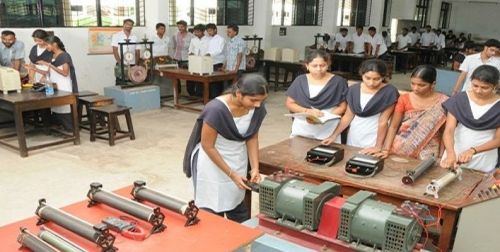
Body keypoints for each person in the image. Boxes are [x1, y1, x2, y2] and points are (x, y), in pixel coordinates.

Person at [183, 74, 268, 223]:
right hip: (212, 161)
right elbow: (207, 146)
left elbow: (252, 137)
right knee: (213, 207)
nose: (258, 105)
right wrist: (231, 173)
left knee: (235, 200)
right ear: (238, 94)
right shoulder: (216, 109)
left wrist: (255, 168)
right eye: (253, 100)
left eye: (262, 100)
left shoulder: (256, 108)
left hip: (237, 158)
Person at [322, 59, 399, 154]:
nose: (371, 83)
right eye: (367, 78)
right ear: (361, 74)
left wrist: (378, 146)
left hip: (375, 134)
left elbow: (383, 121)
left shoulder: (389, 92)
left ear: (383, 77)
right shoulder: (354, 90)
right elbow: (348, 116)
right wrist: (334, 136)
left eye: (377, 79)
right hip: (355, 132)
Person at [376, 65, 448, 160]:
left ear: (433, 84)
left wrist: (442, 156)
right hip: (401, 148)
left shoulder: (444, 102)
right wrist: (385, 149)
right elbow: (393, 126)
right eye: (412, 83)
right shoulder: (404, 99)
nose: (415, 88)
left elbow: (444, 131)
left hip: (429, 150)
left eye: (421, 85)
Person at [440, 65, 500, 173]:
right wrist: (450, 153)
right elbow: (449, 130)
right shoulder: (459, 99)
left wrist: (473, 150)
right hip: (455, 151)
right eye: (475, 85)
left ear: (495, 86)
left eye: (484, 87)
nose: (478, 90)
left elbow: (498, 140)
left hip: (484, 157)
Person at [286, 50, 348, 141]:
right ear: (307, 65)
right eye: (314, 66)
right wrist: (307, 111)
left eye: (323, 65)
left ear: (328, 64)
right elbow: (290, 103)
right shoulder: (300, 80)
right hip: (303, 127)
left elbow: (343, 107)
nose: (319, 69)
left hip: (329, 127)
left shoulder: (338, 82)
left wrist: (325, 116)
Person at [28, 36, 78, 131]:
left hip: (64, 86)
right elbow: (49, 72)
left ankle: (71, 130)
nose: (46, 47)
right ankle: (60, 127)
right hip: (55, 85)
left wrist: (49, 65)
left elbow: (65, 73)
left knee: (64, 107)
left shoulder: (64, 55)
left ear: (54, 44)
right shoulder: (53, 56)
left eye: (47, 45)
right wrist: (34, 69)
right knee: (56, 106)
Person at [111, 19, 140, 84]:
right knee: (120, 83)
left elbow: (137, 51)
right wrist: (120, 63)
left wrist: (136, 64)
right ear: (123, 25)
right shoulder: (116, 35)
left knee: (133, 82)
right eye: (127, 24)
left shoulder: (135, 37)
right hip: (121, 63)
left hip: (132, 64)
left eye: (131, 25)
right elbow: (115, 51)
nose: (129, 26)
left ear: (132, 26)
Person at [187, 24, 210, 97]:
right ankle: (195, 95)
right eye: (195, 32)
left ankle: (203, 95)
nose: (196, 33)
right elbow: (190, 50)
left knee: (203, 80)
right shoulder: (193, 40)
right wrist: (191, 53)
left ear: (203, 31)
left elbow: (209, 51)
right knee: (194, 79)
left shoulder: (208, 39)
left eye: (198, 32)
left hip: (205, 61)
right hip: (195, 62)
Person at [205, 23, 226, 98]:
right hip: (210, 62)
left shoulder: (221, 39)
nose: (209, 32)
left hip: (218, 62)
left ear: (215, 30)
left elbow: (219, 50)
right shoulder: (209, 39)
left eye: (210, 31)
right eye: (208, 31)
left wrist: (209, 54)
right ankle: (211, 97)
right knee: (211, 81)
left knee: (217, 81)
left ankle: (217, 97)